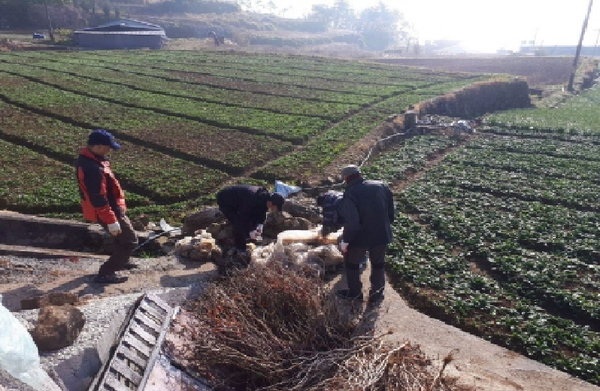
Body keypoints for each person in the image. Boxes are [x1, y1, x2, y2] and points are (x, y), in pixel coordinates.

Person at [76, 129, 138, 284]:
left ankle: (122, 260)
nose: (110, 150)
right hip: (107, 211)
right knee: (129, 241)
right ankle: (107, 272)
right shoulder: (92, 168)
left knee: (120, 238)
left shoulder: (93, 159)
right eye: (108, 146)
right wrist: (111, 220)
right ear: (98, 146)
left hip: (112, 208)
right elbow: (98, 197)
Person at [337, 165, 395, 304]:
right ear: (360, 174)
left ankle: (355, 294)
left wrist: (346, 240)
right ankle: (376, 295)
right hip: (381, 235)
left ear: (346, 178)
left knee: (352, 264)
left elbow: (352, 222)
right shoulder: (381, 185)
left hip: (360, 238)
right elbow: (391, 212)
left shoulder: (351, 192)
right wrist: (383, 227)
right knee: (378, 264)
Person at [216, 185, 285, 254]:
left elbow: (262, 212)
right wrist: (251, 230)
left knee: (253, 218)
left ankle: (246, 236)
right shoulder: (253, 199)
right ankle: (240, 249)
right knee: (238, 223)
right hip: (225, 199)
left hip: (240, 202)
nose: (274, 209)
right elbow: (243, 216)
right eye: (275, 207)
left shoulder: (264, 198)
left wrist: (260, 225)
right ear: (271, 202)